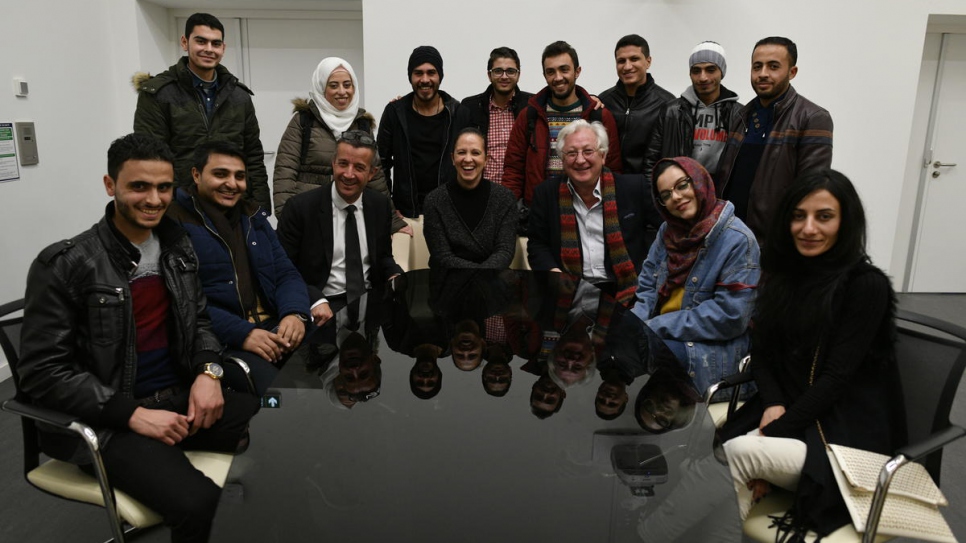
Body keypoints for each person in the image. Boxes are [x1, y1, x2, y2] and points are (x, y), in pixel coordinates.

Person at [17, 133, 259, 542]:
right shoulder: (65, 264)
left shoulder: (176, 244)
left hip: (175, 398)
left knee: (277, 420)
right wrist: (130, 414)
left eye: (164, 187)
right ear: (110, 186)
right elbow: (43, 373)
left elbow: (199, 321)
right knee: (198, 503)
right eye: (139, 186)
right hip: (107, 421)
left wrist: (209, 372)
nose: (154, 199)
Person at [721, 170, 904, 538]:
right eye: (798, 215)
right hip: (792, 412)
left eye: (824, 217)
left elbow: (836, 380)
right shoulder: (787, 276)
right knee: (715, 450)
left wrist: (775, 433)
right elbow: (763, 351)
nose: (808, 228)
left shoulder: (865, 286)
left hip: (841, 432)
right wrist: (772, 403)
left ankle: (652, 531)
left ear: (845, 222)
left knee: (735, 454)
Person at [166, 141, 311, 396]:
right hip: (224, 342)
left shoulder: (253, 216)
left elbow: (286, 273)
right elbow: (184, 303)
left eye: (239, 176)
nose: (232, 184)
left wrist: (295, 314)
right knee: (279, 395)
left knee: (331, 364)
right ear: (196, 174)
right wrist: (243, 333)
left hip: (275, 327)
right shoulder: (175, 222)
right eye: (220, 174)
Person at [629, 156, 759, 395]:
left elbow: (730, 317)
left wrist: (655, 327)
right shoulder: (668, 231)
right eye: (666, 195)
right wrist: (633, 325)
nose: (676, 197)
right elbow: (647, 286)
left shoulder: (738, 240)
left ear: (699, 181)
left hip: (707, 350)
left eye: (682, 185)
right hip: (661, 334)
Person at [134, 13, 270, 213]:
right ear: (184, 42)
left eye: (216, 43)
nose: (209, 49)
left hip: (232, 206)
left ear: (223, 48)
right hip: (180, 207)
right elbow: (150, 160)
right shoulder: (159, 94)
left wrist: (260, 208)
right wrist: (166, 208)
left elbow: (253, 157)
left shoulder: (239, 96)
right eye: (201, 41)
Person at [277, 130, 403, 328]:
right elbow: (284, 270)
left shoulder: (380, 205)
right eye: (343, 163)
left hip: (369, 303)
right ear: (333, 163)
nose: (348, 174)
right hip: (322, 304)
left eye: (359, 167)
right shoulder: (300, 208)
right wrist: (315, 300)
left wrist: (395, 275)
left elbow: (384, 257)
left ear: (372, 173)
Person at [714, 36, 833, 243]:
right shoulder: (741, 115)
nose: (763, 74)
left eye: (773, 66)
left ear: (792, 72)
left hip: (773, 243)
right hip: (727, 238)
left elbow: (810, 191)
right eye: (757, 66)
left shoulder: (812, 118)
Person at [272, 57, 409, 235]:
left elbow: (375, 178)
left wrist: (393, 222)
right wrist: (287, 219)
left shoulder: (362, 124)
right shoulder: (303, 121)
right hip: (308, 216)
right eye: (333, 85)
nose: (342, 91)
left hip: (350, 216)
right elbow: (285, 174)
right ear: (322, 88)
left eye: (347, 84)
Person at [527, 120, 651, 306]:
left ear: (603, 155)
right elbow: (537, 244)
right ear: (562, 159)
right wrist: (553, 273)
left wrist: (645, 271)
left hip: (628, 290)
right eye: (571, 153)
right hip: (568, 292)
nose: (580, 160)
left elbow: (657, 233)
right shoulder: (545, 194)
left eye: (588, 151)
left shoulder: (633, 188)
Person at [503, 40, 622, 206]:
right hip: (540, 210)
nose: (558, 78)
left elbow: (613, 169)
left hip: (589, 209)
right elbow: (513, 170)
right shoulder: (529, 115)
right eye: (551, 72)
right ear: (544, 75)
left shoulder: (599, 116)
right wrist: (507, 211)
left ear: (577, 71)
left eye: (564, 70)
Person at [378, 45, 464, 218]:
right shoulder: (395, 112)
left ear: (440, 76)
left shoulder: (457, 113)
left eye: (431, 72)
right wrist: (389, 206)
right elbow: (380, 164)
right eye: (418, 73)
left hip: (449, 214)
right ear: (410, 76)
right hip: (407, 214)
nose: (425, 79)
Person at [643, 41, 742, 182]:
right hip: (680, 190)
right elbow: (651, 161)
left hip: (721, 192)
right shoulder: (672, 111)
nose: (703, 77)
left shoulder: (739, 114)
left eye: (710, 69)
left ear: (722, 72)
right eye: (696, 71)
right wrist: (655, 197)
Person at [423, 128, 518, 269]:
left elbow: (505, 251)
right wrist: (478, 275)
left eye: (475, 153)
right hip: (448, 282)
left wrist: (480, 278)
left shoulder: (505, 198)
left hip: (493, 281)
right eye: (461, 152)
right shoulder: (434, 201)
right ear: (452, 159)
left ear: (486, 159)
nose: (468, 159)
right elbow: (442, 256)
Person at [599, 34, 674, 175]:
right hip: (609, 185)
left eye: (634, 59)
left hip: (648, 187)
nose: (627, 67)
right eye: (621, 61)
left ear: (648, 61)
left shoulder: (667, 104)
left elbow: (670, 157)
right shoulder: (604, 101)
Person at [460, 47, 533, 186]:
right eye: (498, 71)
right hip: (481, 192)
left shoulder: (531, 106)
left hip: (520, 195)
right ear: (489, 75)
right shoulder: (471, 107)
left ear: (518, 75)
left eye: (510, 71)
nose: (504, 76)